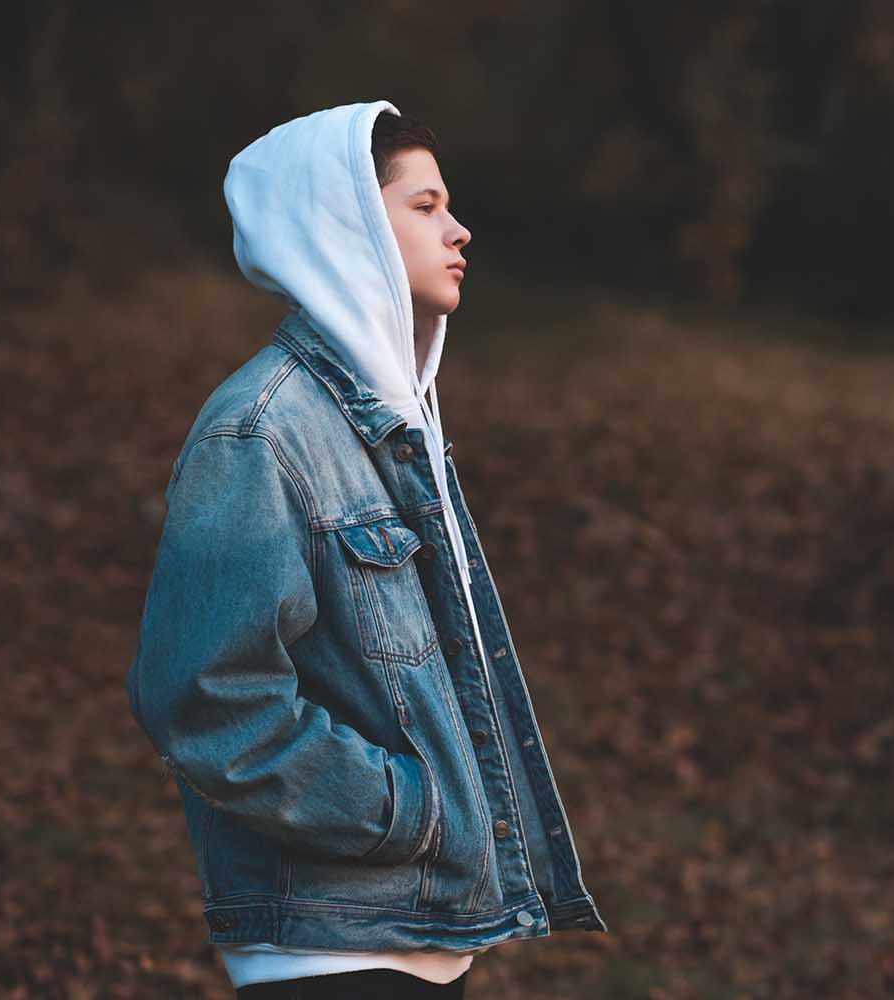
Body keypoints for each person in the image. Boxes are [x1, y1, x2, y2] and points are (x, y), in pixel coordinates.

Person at [124, 101, 608, 999]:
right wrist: (410, 809)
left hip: (419, 934)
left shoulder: (392, 425)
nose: (459, 230)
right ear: (344, 225)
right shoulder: (261, 431)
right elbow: (205, 698)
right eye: (425, 206)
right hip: (330, 945)